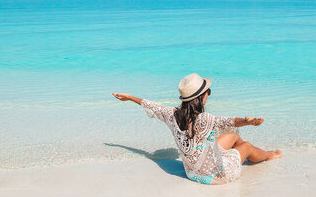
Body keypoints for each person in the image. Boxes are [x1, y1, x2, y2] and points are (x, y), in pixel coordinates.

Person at [112, 73, 281, 185]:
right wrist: (248, 122)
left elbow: (152, 106)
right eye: (208, 91)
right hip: (215, 176)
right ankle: (267, 155)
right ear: (201, 97)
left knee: (233, 135)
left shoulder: (172, 115)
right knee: (247, 146)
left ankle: (242, 157)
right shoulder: (205, 119)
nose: (209, 94)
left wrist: (129, 97)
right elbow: (229, 121)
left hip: (191, 173)